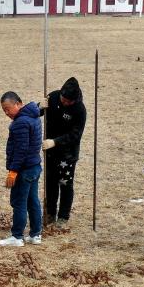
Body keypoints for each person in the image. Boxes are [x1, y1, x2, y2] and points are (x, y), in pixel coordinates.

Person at [39, 77, 87, 227]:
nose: (65, 103)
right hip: (50, 152)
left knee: (65, 184)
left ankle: (63, 216)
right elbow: (36, 113)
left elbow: (75, 135)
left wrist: (55, 142)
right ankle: (50, 213)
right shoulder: (53, 97)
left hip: (67, 154)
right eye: (63, 99)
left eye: (68, 102)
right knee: (50, 182)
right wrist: (38, 106)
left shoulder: (80, 110)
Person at [0, 92, 42, 247]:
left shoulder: (20, 123)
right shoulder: (34, 116)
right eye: (4, 110)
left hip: (24, 170)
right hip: (34, 167)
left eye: (8, 108)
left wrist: (13, 171)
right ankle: (35, 234)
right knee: (33, 201)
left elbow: (21, 150)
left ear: (18, 103)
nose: (6, 113)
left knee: (19, 202)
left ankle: (17, 236)